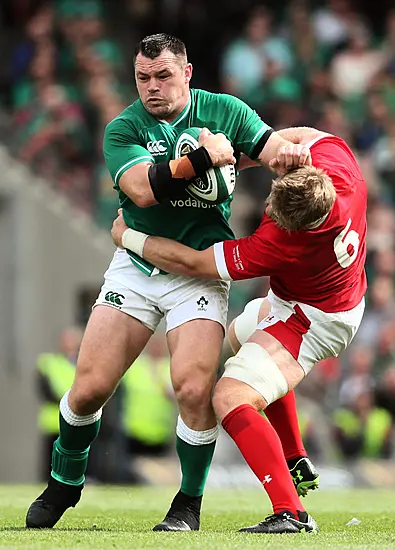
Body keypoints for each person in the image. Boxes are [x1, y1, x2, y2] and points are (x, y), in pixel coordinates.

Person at [26, 33, 314, 531]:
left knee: (192, 388)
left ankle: (187, 504)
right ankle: (65, 480)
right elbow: (139, 191)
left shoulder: (224, 110)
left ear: (187, 72)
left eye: (163, 76)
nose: (152, 87)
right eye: (143, 78)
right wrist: (203, 159)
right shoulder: (124, 128)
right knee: (89, 388)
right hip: (137, 267)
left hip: (198, 273)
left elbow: (270, 146)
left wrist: (287, 155)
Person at [111, 127, 367, 534]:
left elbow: (194, 263)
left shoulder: (281, 241)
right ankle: (293, 455)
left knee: (230, 396)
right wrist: (243, 155)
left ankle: (292, 512)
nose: (268, 205)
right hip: (315, 298)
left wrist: (130, 237)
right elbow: (311, 133)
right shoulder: (339, 169)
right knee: (232, 345)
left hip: (312, 320)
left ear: (292, 224)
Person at [36, 327, 83, 480]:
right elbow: (45, 391)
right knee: (51, 465)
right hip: (54, 422)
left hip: (77, 422)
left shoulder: (83, 364)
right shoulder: (48, 362)